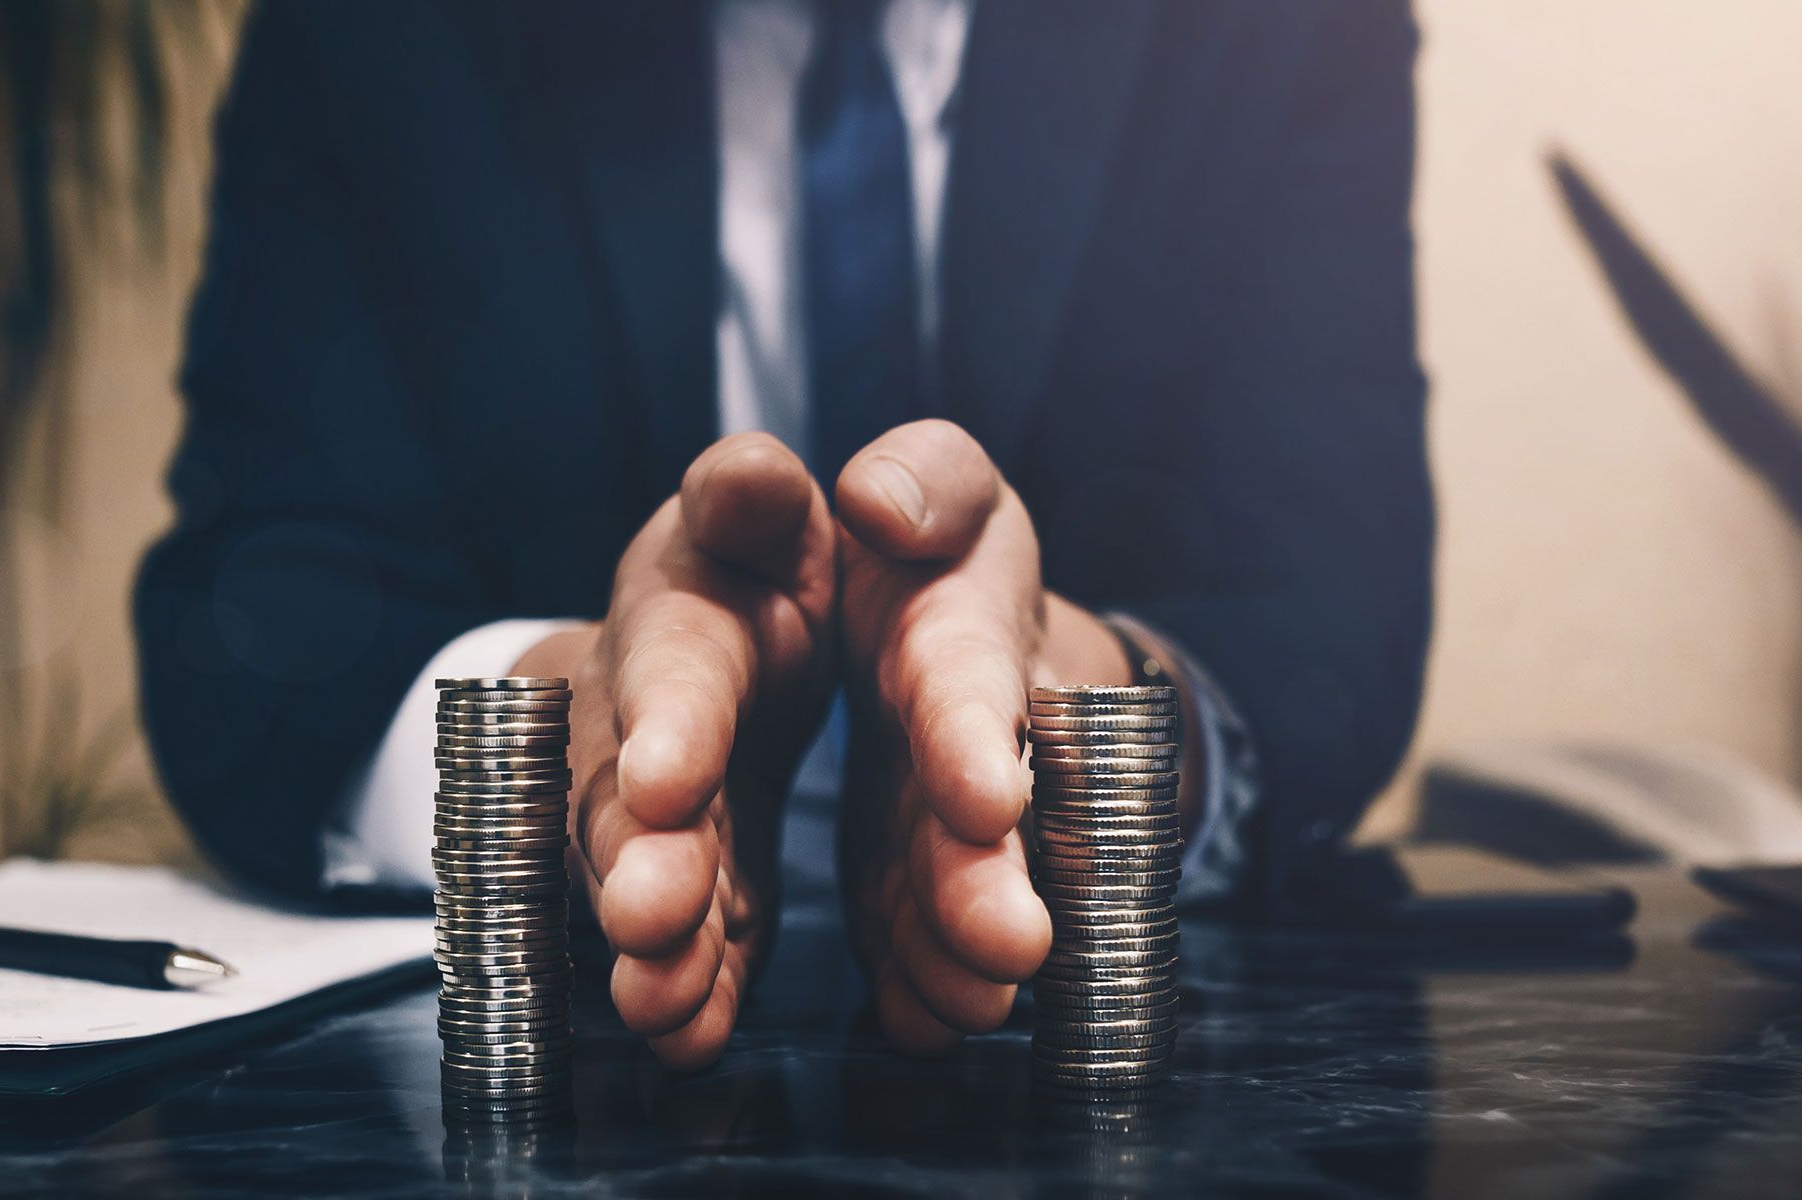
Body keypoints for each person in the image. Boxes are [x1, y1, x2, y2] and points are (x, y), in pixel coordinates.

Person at [135, 0, 1433, 1069]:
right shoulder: (378, 33)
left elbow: (1334, 619)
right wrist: (572, 724)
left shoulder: (1281, 26)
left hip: (1070, 1019)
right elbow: (249, 622)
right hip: (581, 1030)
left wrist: (1067, 707)